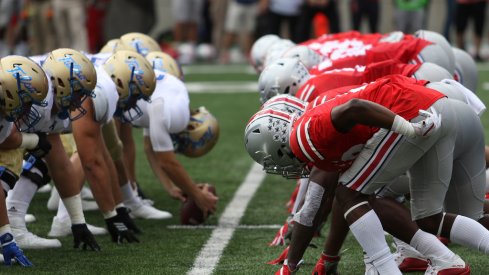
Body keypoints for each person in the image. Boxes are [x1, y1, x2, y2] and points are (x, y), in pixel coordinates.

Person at [246, 75, 489, 274]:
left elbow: (356, 108)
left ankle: (386, 268)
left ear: (276, 142)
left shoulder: (305, 135)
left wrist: (407, 127)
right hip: (438, 104)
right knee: (429, 217)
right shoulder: (315, 115)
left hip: (416, 115)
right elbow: (317, 204)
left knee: (351, 191)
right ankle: (445, 261)